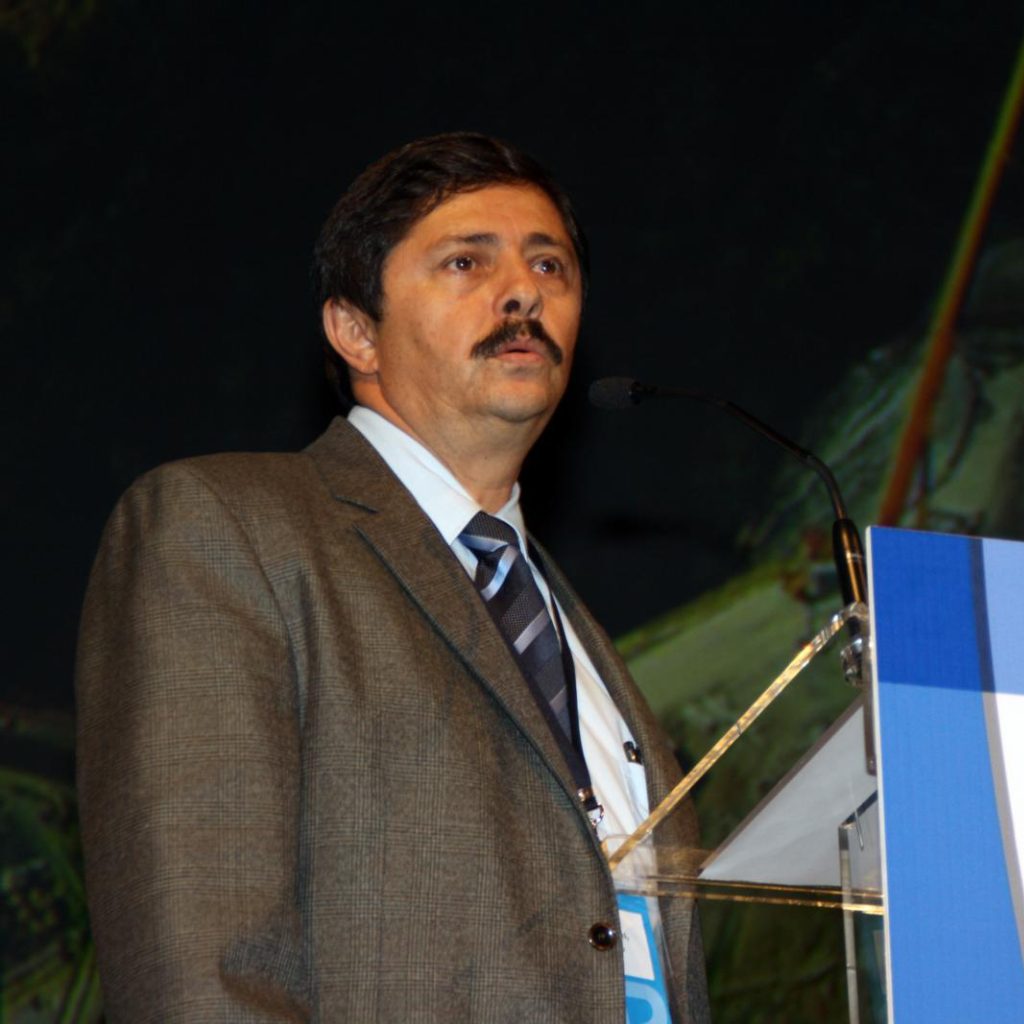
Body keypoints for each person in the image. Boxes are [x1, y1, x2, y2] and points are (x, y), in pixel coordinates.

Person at [75, 132, 709, 1022]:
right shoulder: (225, 528)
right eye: (466, 262)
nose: (524, 292)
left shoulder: (565, 623)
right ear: (355, 331)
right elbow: (199, 961)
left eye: (550, 266)